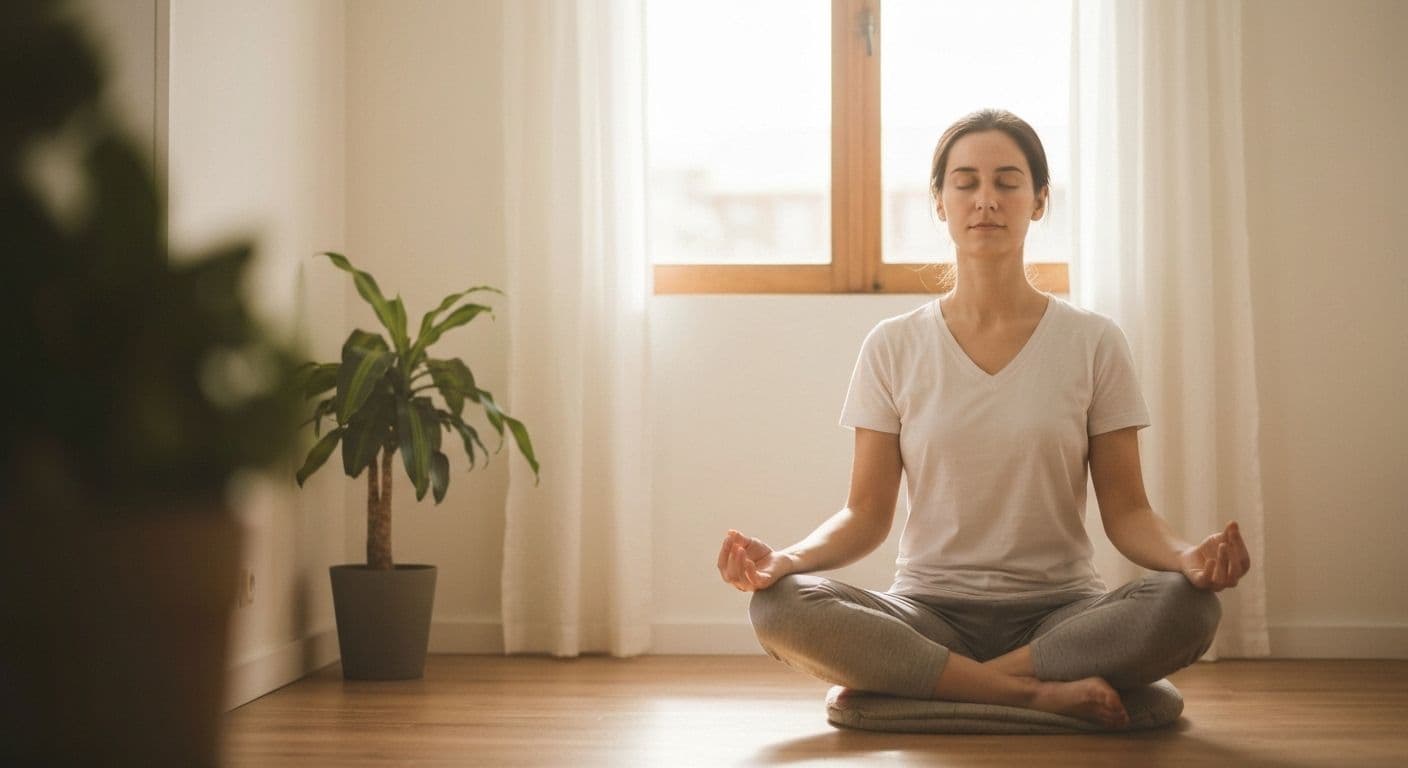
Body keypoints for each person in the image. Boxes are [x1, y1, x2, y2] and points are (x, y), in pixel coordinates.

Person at [715, 108, 1252, 729]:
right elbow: (865, 515)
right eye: (965, 182)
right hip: (927, 615)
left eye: (1008, 181)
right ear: (940, 202)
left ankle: (924, 689)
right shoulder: (893, 345)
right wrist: (785, 561)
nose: (986, 200)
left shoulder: (1094, 342)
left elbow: (1128, 513)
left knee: (1190, 608)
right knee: (778, 609)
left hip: (1061, 617)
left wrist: (1191, 559)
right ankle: (1034, 695)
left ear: (1040, 200)